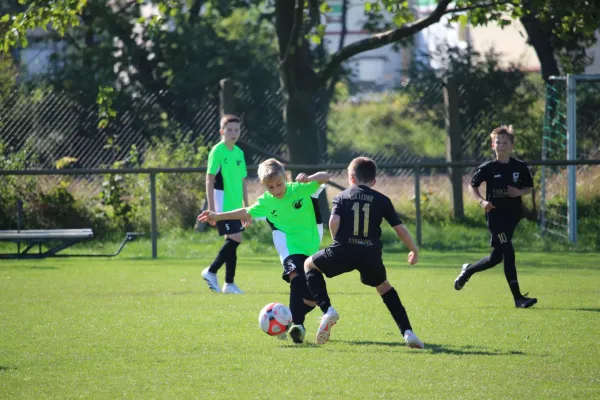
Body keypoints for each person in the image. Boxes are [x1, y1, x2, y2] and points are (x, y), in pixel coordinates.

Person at [198, 158, 330, 344]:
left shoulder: (298, 188)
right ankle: (297, 326)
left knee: (310, 299)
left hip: (310, 244)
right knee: (295, 276)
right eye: (270, 187)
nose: (276, 190)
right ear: (264, 186)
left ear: (285, 177)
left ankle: (289, 319)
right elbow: (245, 211)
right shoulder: (266, 202)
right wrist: (217, 216)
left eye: (279, 184)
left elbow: (326, 177)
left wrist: (309, 177)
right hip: (288, 245)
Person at [303, 156, 424, 348]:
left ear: (351, 178)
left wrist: (337, 241)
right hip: (370, 253)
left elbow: (333, 221)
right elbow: (399, 228)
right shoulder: (383, 200)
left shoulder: (341, 196)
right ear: (373, 181)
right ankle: (407, 332)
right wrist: (413, 249)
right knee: (384, 287)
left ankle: (327, 310)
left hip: (343, 249)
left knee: (309, 264)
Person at [454, 125, 537, 308]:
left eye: (505, 142)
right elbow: (472, 186)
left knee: (495, 258)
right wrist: (482, 201)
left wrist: (519, 191)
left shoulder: (520, 167)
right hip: (496, 219)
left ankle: (468, 271)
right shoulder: (488, 168)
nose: (501, 145)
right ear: (493, 145)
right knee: (509, 253)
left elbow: (528, 187)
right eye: (498, 142)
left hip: (512, 218)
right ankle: (518, 299)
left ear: (512, 145)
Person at [201, 114, 248, 294]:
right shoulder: (217, 151)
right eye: (229, 130)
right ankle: (211, 271)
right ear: (222, 131)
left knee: (231, 240)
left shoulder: (239, 153)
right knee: (236, 238)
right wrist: (212, 209)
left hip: (236, 204)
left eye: (236, 130)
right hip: (221, 203)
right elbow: (209, 179)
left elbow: (243, 181)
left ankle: (229, 283)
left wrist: (247, 206)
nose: (233, 133)